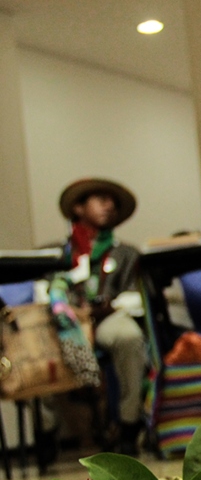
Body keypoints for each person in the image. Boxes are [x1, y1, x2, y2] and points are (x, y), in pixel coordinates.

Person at [44, 179, 147, 457]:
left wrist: (108, 307)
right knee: (40, 345)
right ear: (78, 208)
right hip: (66, 323)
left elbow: (136, 298)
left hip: (107, 321)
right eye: (100, 199)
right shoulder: (58, 253)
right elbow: (45, 293)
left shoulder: (126, 254)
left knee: (129, 337)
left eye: (112, 201)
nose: (109, 205)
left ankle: (128, 425)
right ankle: (47, 430)